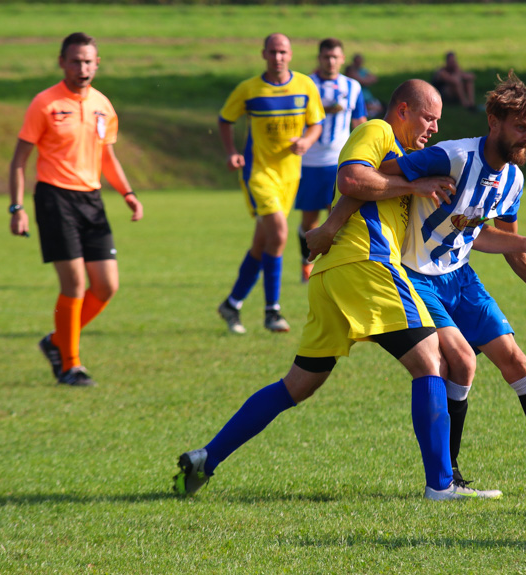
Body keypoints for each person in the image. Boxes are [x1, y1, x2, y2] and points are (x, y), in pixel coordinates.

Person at [178, 80, 498, 502]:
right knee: (429, 362)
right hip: (366, 264)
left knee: (298, 385)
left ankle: (206, 457)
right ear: (402, 109)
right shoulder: (377, 132)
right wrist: (412, 187)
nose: (434, 128)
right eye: (428, 117)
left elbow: (360, 188)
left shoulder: (402, 158)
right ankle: (441, 485)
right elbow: (350, 178)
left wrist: (332, 224)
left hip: (333, 275)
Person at [309, 71, 526, 496]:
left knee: (515, 360)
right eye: (520, 126)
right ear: (494, 121)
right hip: (417, 277)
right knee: (462, 360)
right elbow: (374, 175)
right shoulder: (450, 157)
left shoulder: (512, 180)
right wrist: (339, 220)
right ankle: (448, 477)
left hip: (461, 277)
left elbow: (499, 240)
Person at [8, 32, 143, 387]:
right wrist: (17, 207)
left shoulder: (103, 104)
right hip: (54, 198)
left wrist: (127, 192)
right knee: (75, 284)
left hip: (92, 201)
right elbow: (19, 161)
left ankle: (55, 341)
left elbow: (106, 156)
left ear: (97, 63)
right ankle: (71, 365)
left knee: (106, 286)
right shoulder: (45, 103)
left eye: (88, 61)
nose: (82, 67)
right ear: (61, 62)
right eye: (75, 61)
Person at [216, 33, 325, 335]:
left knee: (262, 243)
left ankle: (232, 304)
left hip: (291, 176)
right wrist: (232, 153)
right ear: (263, 54)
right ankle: (272, 311)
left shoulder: (305, 85)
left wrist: (306, 141)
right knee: (279, 233)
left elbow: (316, 123)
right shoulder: (249, 89)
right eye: (273, 52)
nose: (278, 57)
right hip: (258, 174)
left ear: (290, 54)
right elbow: (225, 119)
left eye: (283, 52)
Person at [295, 38, 368, 283]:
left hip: (339, 163)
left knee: (336, 217)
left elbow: (360, 122)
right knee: (309, 220)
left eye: (335, 57)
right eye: (326, 57)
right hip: (309, 162)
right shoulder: (306, 84)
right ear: (319, 58)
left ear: (342, 59)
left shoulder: (353, 87)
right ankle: (306, 262)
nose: (330, 61)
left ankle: (332, 265)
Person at [344, 53, 384, 119]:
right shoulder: (351, 70)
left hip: (368, 98)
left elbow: (374, 79)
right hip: (362, 98)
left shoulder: (363, 70)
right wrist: (365, 80)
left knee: (382, 107)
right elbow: (360, 81)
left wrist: (364, 81)